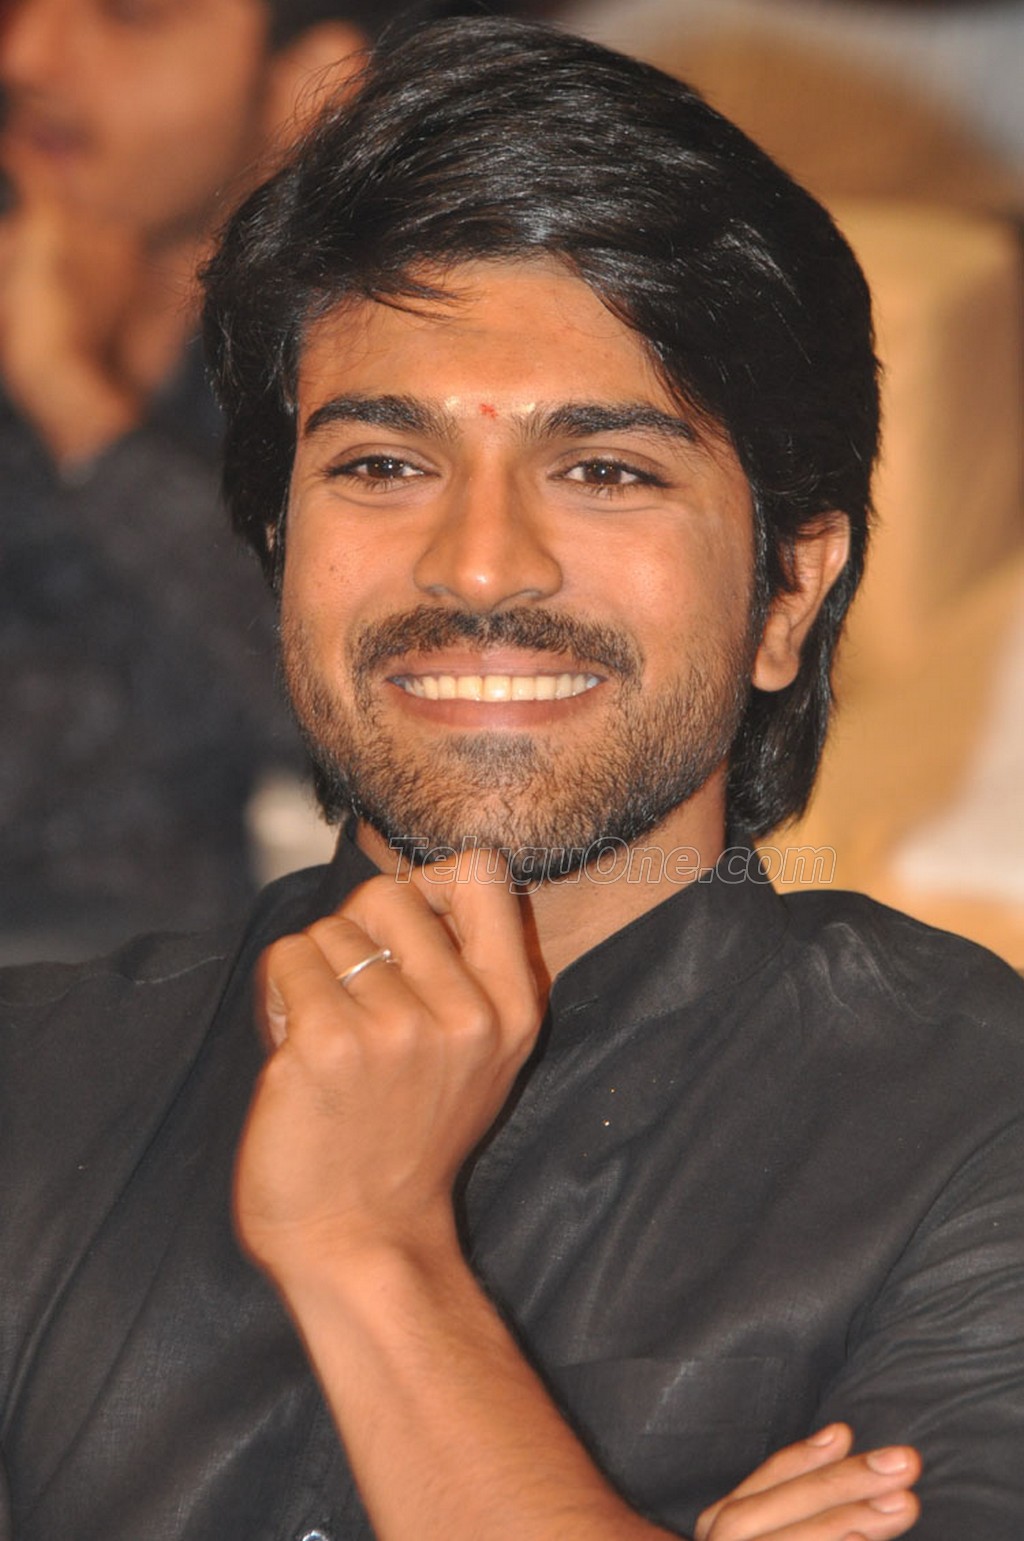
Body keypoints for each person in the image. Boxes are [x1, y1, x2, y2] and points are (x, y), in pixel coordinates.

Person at [2, 15, 1023, 1539]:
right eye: (381, 465)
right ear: (280, 553)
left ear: (787, 594)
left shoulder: (969, 1125)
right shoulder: (38, 1079)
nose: (479, 564)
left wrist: (373, 1255)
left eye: (605, 470)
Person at [0, 0, 463, 959]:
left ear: (307, 86)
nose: (28, 56)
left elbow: (362, 717)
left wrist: (78, 407)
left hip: (108, 967)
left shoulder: (368, 381)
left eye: (130, 16)